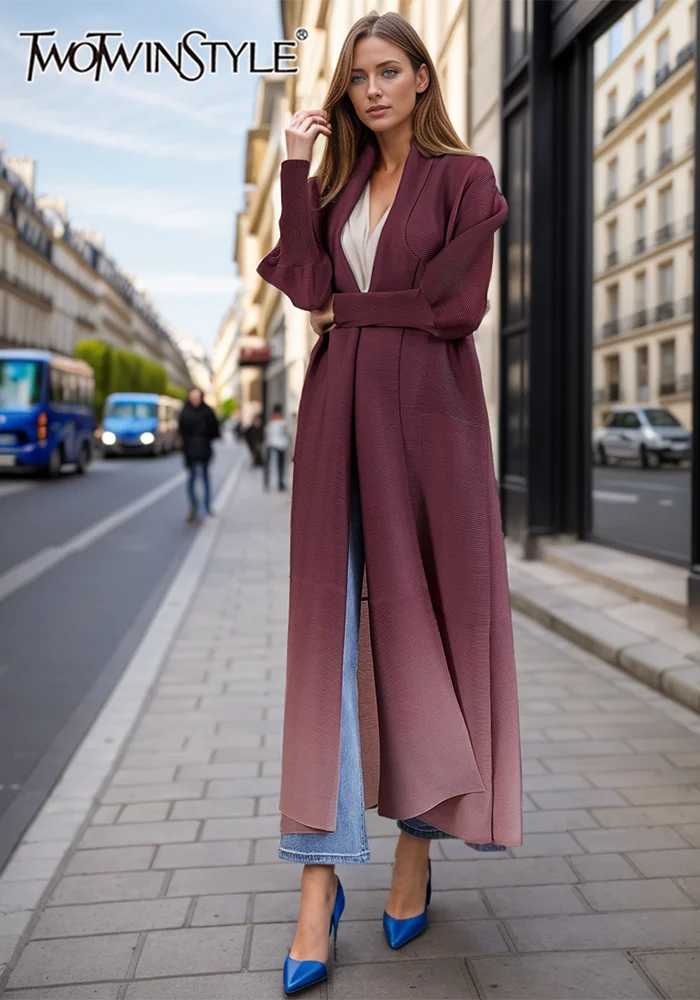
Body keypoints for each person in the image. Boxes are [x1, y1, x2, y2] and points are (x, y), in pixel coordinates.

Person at [256, 11, 521, 996]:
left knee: (424, 637)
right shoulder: (336, 187)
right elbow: (301, 281)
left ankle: (414, 848)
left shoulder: (467, 179)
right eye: (355, 76)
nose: (370, 90)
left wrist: (349, 311)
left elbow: (456, 306)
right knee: (328, 646)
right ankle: (317, 886)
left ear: (421, 78)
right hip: (335, 424)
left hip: (432, 428)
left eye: (387, 71)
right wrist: (293, 167)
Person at [178, 388, 220, 523]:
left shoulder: (207, 412)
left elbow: (215, 431)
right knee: (192, 479)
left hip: (204, 452)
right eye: (193, 397)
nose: (195, 399)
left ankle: (206, 506)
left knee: (204, 478)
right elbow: (181, 432)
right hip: (190, 452)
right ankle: (195, 506)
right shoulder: (185, 412)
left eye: (197, 397)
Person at [263, 404, 290, 491]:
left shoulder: (271, 423)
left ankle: (269, 483)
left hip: (272, 444)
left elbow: (267, 433)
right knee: (280, 465)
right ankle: (279, 483)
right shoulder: (282, 423)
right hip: (280, 445)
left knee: (271, 465)